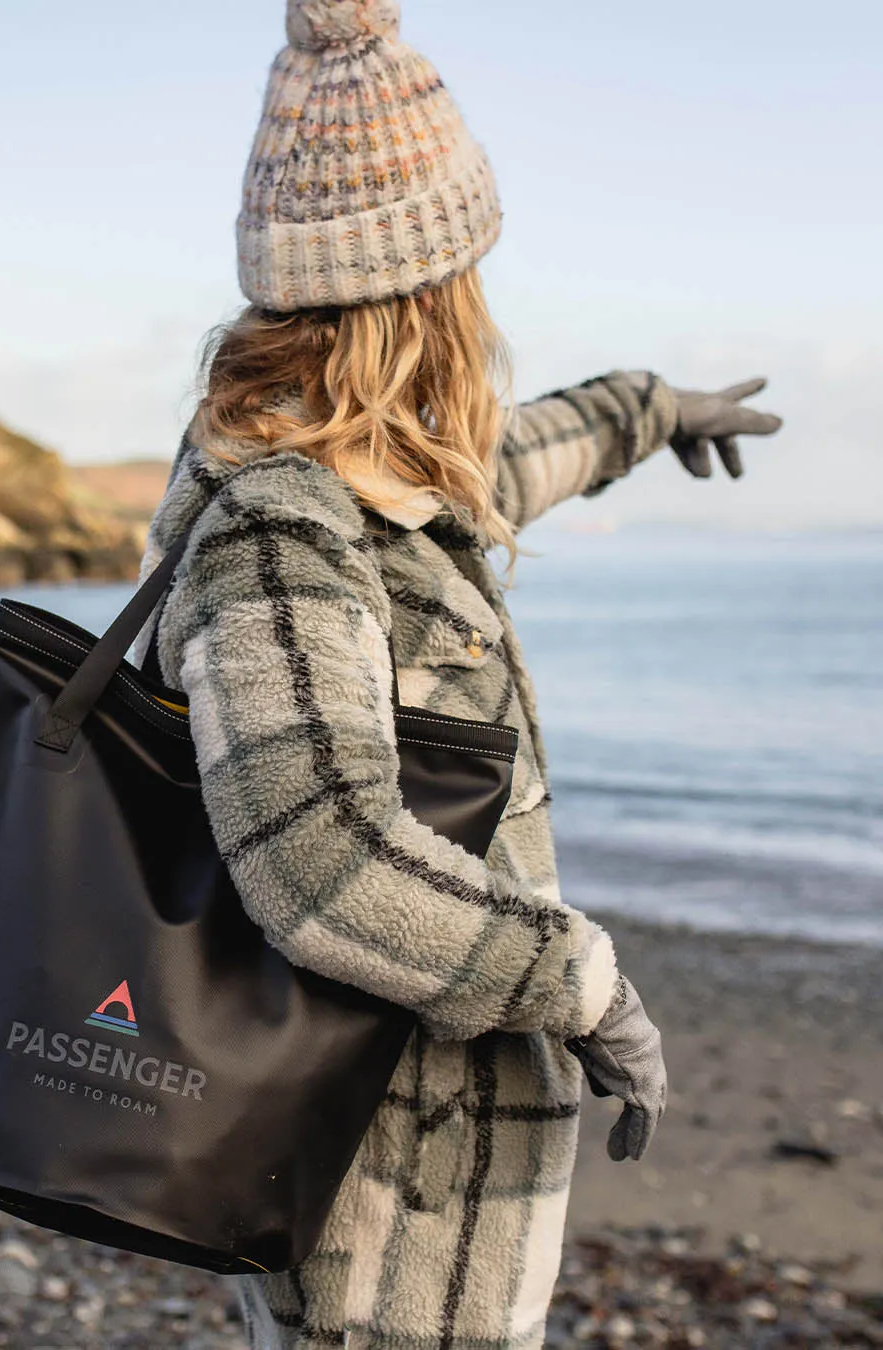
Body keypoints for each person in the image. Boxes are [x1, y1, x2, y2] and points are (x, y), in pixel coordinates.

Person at [136, 2, 782, 1346]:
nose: (481, 305)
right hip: (384, 1237)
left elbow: (504, 466)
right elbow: (317, 854)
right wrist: (584, 982)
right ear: (410, 290)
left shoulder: (372, 495)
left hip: (444, 1215)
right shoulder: (277, 528)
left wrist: (649, 409)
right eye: (465, 269)